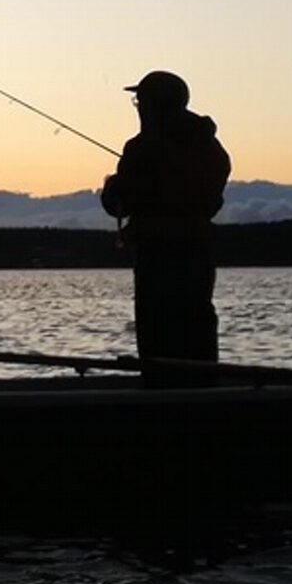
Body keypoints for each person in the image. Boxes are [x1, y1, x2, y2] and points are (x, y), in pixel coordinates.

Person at [99, 70, 231, 383]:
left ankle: (161, 394)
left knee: (157, 329)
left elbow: (121, 201)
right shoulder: (212, 148)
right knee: (196, 322)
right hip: (198, 251)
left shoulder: (142, 147)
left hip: (157, 254)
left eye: (139, 101)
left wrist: (111, 186)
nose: (138, 107)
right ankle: (204, 390)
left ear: (151, 105)